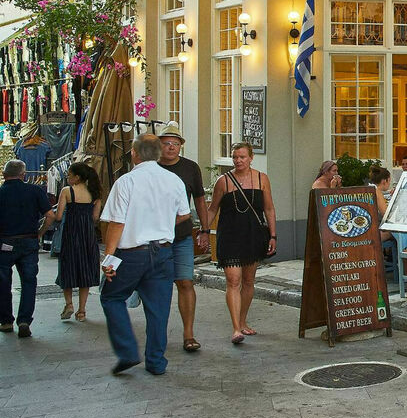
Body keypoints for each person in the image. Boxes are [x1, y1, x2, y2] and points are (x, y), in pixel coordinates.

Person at [99, 135, 191, 374]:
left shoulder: (126, 181)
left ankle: (128, 351)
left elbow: (116, 223)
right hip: (163, 251)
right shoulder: (173, 180)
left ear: (134, 153)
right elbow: (184, 214)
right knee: (158, 309)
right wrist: (162, 222)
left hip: (132, 252)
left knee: (111, 297)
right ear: (159, 154)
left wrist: (108, 258)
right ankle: (156, 361)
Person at [205, 142, 277, 346]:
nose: (238, 161)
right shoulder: (223, 181)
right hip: (229, 235)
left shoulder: (262, 179)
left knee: (248, 280)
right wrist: (203, 230)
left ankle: (243, 320)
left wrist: (273, 235)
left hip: (253, 235)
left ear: (251, 158)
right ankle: (236, 328)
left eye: (242, 157)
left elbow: (269, 209)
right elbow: (212, 209)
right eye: (235, 157)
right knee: (233, 281)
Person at [156, 123, 211, 353]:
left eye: (175, 144)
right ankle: (157, 334)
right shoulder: (152, 168)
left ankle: (188, 334)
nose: (171, 148)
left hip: (182, 236)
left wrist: (205, 230)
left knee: (186, 282)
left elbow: (199, 199)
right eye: (167, 143)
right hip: (156, 238)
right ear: (160, 146)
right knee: (158, 286)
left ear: (181, 146)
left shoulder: (190, 168)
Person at [40, 162, 103, 323]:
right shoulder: (95, 193)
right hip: (88, 235)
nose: (67, 177)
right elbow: (95, 218)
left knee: (67, 268)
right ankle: (82, 311)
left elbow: (59, 216)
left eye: (69, 175)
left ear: (77, 177)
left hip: (70, 234)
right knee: (85, 270)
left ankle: (69, 304)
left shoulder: (67, 191)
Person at [0, 159, 52, 337]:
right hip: (29, 241)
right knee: (29, 282)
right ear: (24, 175)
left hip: (5, 243)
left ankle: (6, 321)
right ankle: (24, 321)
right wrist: (40, 232)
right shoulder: (35, 190)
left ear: (4, 175)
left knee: (3, 282)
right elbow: (50, 215)